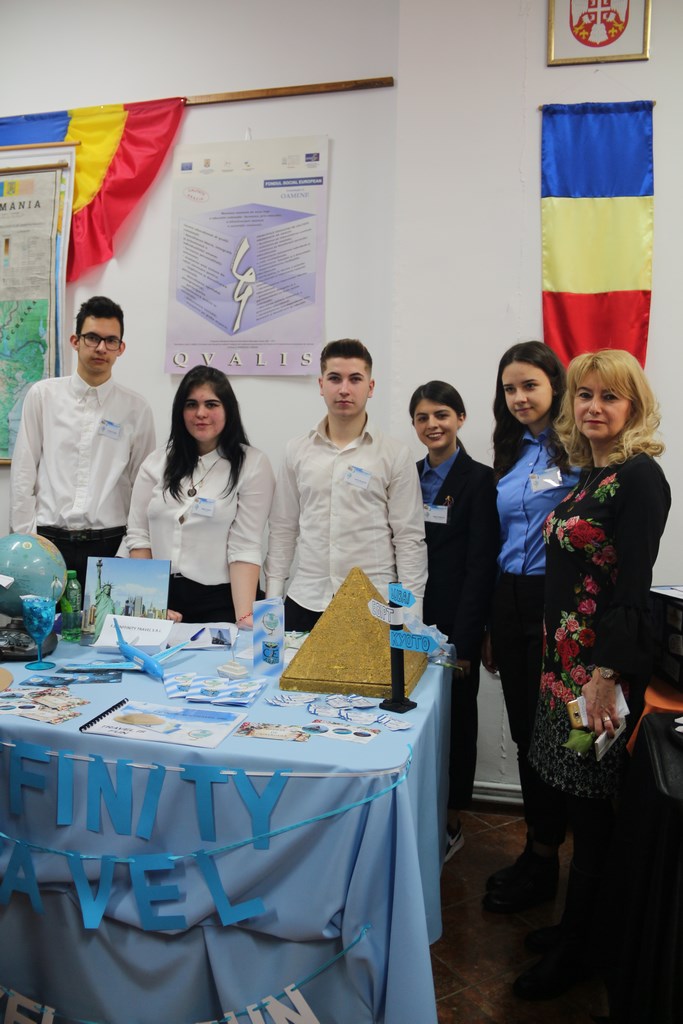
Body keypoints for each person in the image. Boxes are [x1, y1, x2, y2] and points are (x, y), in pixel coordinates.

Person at [513, 349, 670, 1002]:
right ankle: (580, 928)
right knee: (576, 803)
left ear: (633, 405)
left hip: (595, 681)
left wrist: (604, 675)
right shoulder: (590, 475)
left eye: (609, 396)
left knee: (592, 813)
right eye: (584, 395)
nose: (593, 407)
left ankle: (581, 951)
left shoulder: (639, 478)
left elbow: (631, 589)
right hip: (563, 672)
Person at [482, 341, 580, 913]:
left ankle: (550, 854)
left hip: (554, 601)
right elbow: (500, 539)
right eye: (510, 388)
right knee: (524, 730)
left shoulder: (578, 450)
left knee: (553, 733)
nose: (519, 397)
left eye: (529, 386)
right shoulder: (511, 451)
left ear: (554, 386)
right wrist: (491, 622)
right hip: (509, 598)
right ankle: (538, 851)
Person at [265, 339, 427, 631]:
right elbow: (283, 529)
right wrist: (272, 602)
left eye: (355, 379)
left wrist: (412, 618)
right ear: (321, 384)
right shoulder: (296, 450)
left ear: (371, 387)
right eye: (334, 378)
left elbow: (408, 540)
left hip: (373, 603)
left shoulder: (394, 454)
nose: (344, 389)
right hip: (306, 600)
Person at [10, 296, 155, 591]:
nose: (101, 348)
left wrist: (127, 549)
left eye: (111, 340)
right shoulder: (43, 396)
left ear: (121, 348)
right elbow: (23, 473)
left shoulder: (136, 409)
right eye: (92, 338)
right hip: (47, 544)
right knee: (41, 621)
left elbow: (144, 488)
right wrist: (27, 541)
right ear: (75, 341)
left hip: (110, 545)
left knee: (104, 621)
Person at [410, 381, 499, 860]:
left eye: (441, 414)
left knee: (457, 723)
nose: (433, 425)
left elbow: (481, 565)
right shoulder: (407, 476)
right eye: (423, 417)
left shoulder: (480, 480)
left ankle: (450, 822)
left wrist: (465, 641)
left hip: (455, 622)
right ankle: (417, 812)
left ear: (461, 418)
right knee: (412, 719)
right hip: (410, 620)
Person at [126, 366, 274, 625]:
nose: (201, 413)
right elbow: (139, 536)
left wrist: (244, 618)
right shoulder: (157, 462)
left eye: (211, 404)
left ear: (228, 410)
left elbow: (245, 546)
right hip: (161, 598)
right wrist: (151, 604)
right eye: (191, 404)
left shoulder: (252, 464)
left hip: (220, 600)